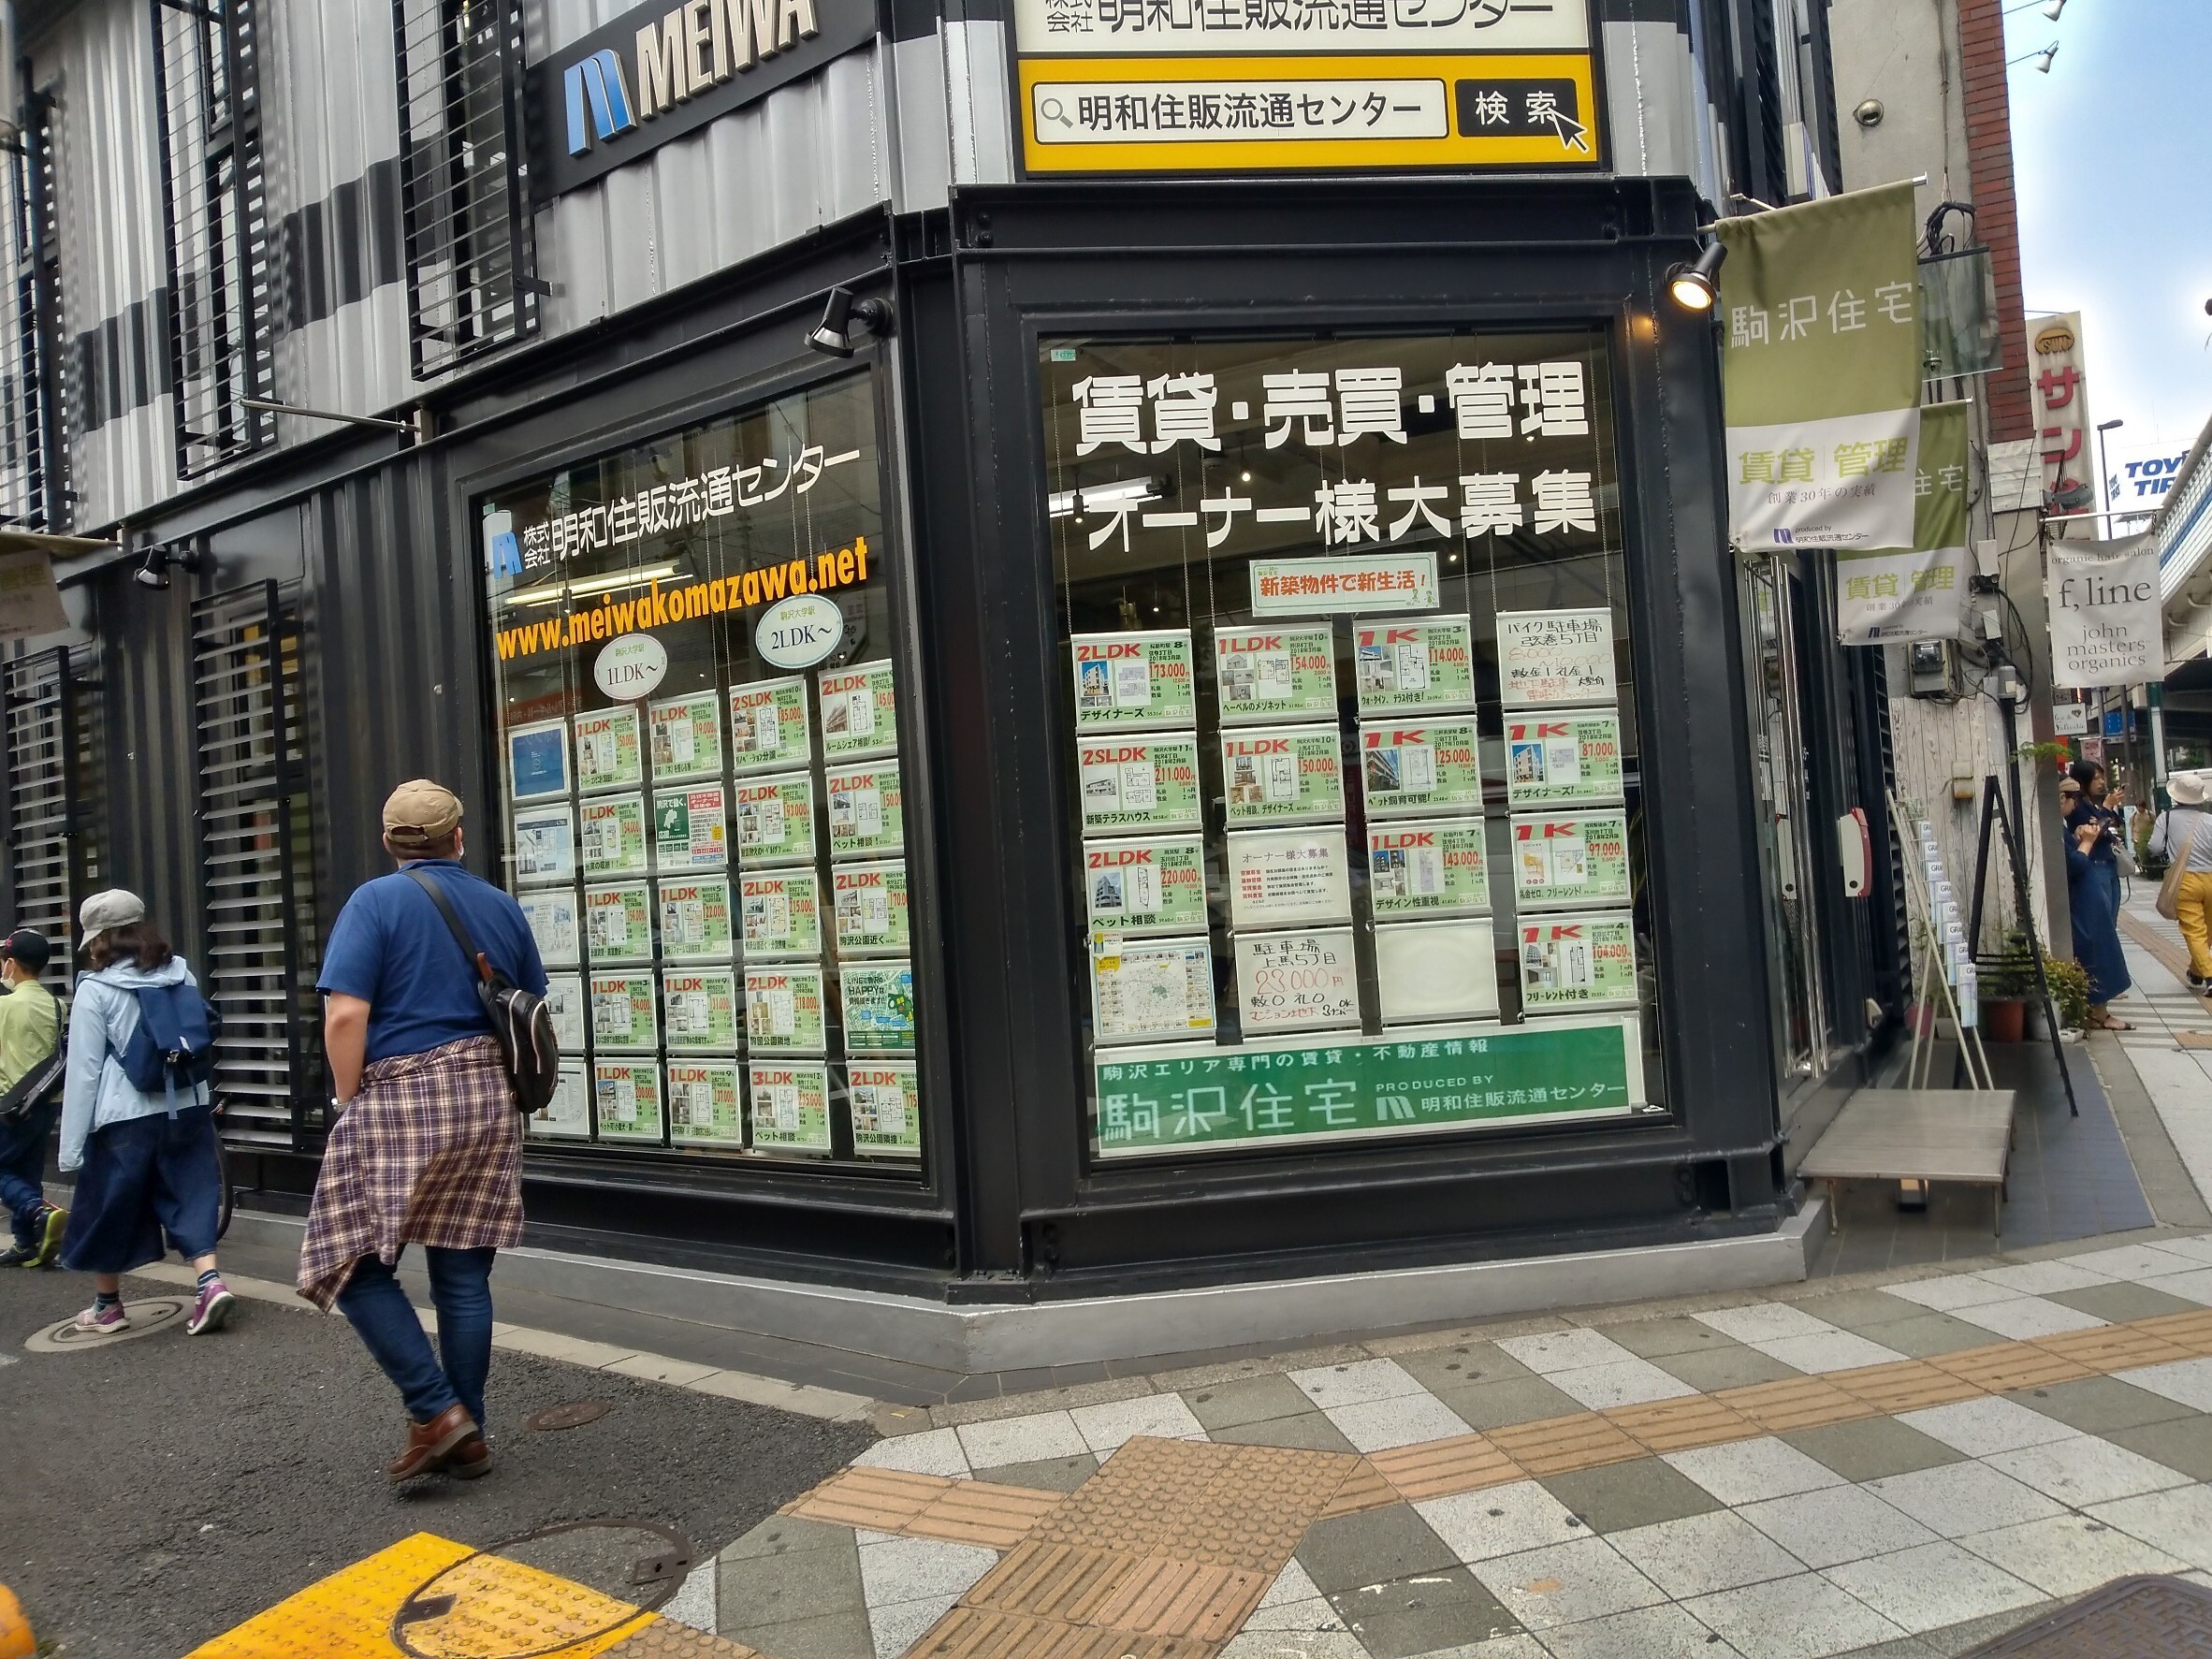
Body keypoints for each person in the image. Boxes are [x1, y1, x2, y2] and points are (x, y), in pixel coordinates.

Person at [297, 780, 546, 1483]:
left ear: (389, 842)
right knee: (463, 1270)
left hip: (404, 1094)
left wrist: (348, 1099)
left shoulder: (374, 901)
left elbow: (345, 1016)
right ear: (458, 837)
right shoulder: (500, 905)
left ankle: (437, 1410)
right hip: (488, 1095)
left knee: (347, 1258)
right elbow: (530, 1000)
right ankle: (468, 1429)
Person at [55, 892, 236, 1333]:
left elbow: (83, 1071)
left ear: (98, 939)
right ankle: (209, 1282)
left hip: (123, 1116)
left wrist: (70, 1148)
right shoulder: (180, 974)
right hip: (187, 1106)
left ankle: (107, 1306)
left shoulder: (95, 990)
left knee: (107, 1205)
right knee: (191, 1192)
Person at [0, 929, 66, 1269]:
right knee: (26, 1169)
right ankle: (26, 1243)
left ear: (11, 964)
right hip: (46, 1102)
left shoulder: (5, 1006)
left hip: (9, 1104)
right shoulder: (58, 1005)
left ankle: (39, 1211)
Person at [2064, 760, 2133, 1030]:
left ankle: (2102, 1003)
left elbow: (2106, 826)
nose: (2102, 783)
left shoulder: (2087, 804)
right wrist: (2089, 836)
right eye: (2097, 778)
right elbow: (2079, 859)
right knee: (2101, 935)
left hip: (2103, 870)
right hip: (2093, 873)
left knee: (2108, 928)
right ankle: (2099, 1009)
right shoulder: (2079, 808)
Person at [2152, 769, 2212, 992]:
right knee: (2208, 931)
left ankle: (2210, 976)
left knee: (2194, 930)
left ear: (2176, 796)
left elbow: (2155, 847)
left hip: (2185, 881)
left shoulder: (2165, 818)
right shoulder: (2209, 820)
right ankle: (2196, 972)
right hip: (2211, 878)